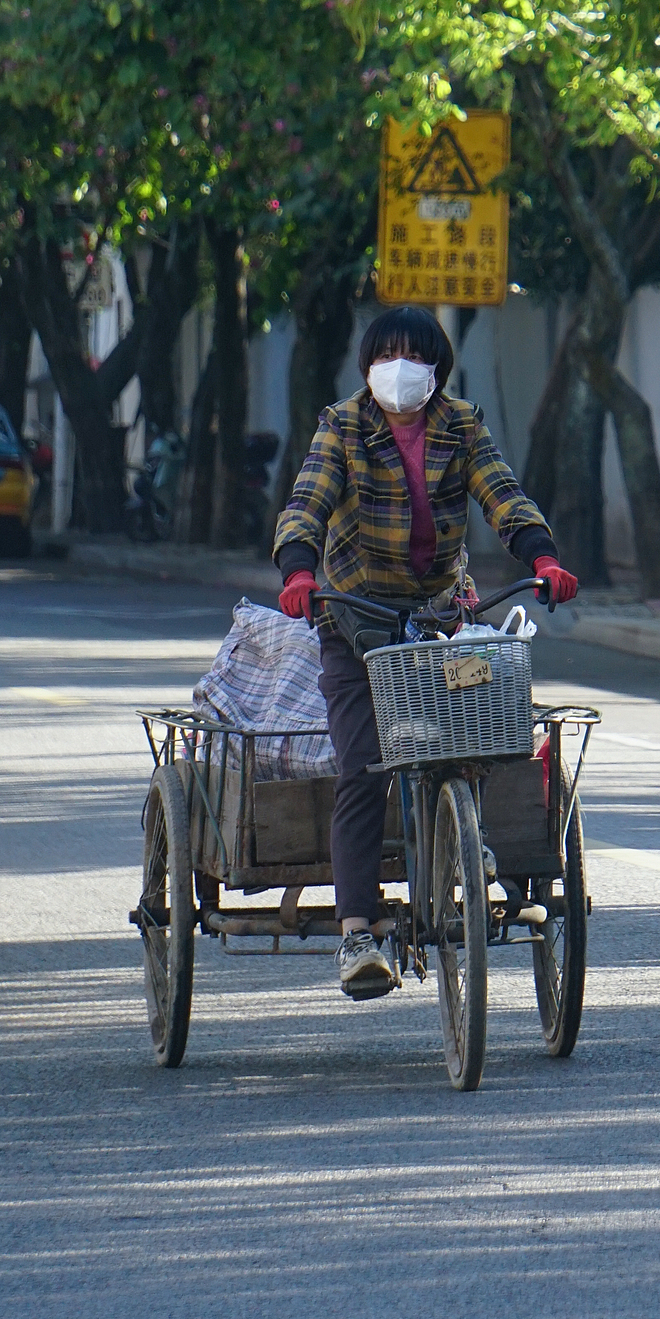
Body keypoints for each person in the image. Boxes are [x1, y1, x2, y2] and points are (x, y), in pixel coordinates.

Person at [273, 304, 578, 1000]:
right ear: (368, 365)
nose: (399, 368)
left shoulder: (461, 425)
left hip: (440, 616)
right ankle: (358, 932)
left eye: (414, 355)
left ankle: (468, 843)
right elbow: (307, 503)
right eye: (387, 355)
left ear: (436, 369)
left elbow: (503, 494)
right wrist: (297, 568)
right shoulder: (342, 425)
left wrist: (542, 554)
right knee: (359, 768)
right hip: (357, 620)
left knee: (472, 744)